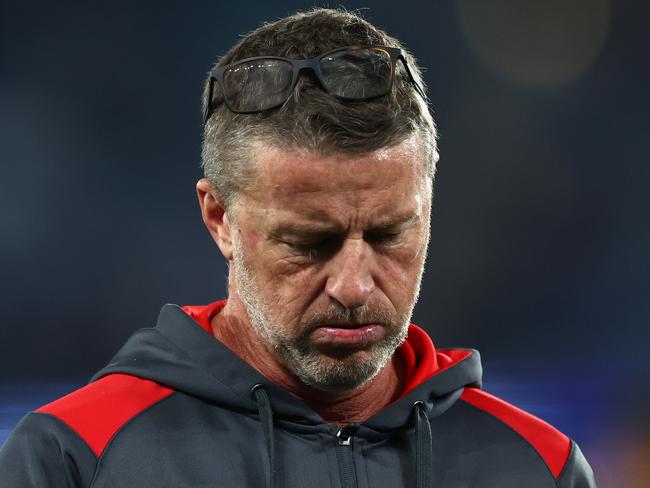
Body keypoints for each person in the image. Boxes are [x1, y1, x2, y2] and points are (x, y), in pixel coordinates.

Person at [0, 8, 596, 488]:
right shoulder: (73, 458)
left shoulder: (539, 468)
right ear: (220, 219)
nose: (355, 285)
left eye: (390, 234)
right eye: (311, 242)